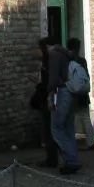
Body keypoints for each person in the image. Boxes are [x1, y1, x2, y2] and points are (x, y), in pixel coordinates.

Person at [48, 37, 80, 174]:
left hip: (62, 92)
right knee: (68, 128)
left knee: (56, 128)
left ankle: (71, 160)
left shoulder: (54, 55)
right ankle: (73, 159)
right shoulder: (68, 55)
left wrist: (49, 96)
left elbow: (54, 79)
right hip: (71, 92)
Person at [31, 37, 58, 167]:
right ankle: (52, 156)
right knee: (50, 129)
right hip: (49, 98)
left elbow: (49, 83)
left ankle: (52, 158)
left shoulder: (49, 63)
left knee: (49, 129)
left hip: (48, 99)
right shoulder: (49, 62)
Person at [67, 37, 94, 149]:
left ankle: (72, 143)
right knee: (85, 117)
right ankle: (91, 142)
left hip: (71, 93)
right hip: (82, 94)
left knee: (71, 118)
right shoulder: (82, 61)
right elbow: (86, 77)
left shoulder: (66, 60)